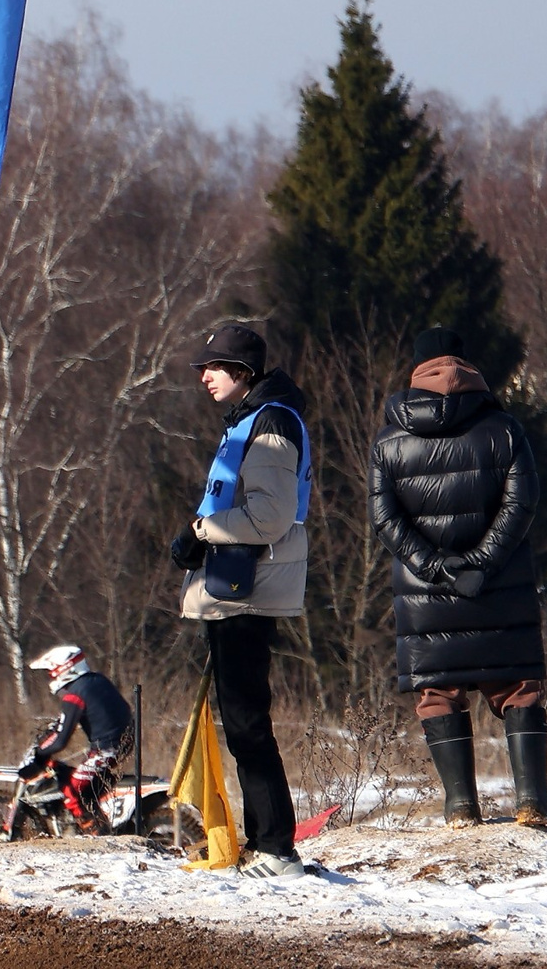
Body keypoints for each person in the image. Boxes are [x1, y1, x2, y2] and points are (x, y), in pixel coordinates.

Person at [370, 325, 547, 827]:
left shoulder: (390, 438)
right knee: (516, 686)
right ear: (466, 364)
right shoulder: (502, 427)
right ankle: (532, 800)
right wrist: (482, 563)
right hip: (497, 587)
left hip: (425, 592)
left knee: (438, 692)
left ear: (416, 369)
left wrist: (435, 566)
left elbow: (385, 519)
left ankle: (459, 805)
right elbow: (522, 501)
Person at [168, 321, 309, 879]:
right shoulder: (252, 419)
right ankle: (266, 843)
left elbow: (269, 516)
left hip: (249, 591)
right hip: (239, 587)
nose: (204, 376)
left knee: (248, 724)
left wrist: (201, 531)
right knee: (243, 722)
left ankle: (277, 848)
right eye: (203, 367)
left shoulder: (270, 423)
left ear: (243, 373)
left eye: (215, 367)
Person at [19, 644, 132, 833]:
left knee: (73, 790)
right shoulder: (98, 681)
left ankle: (95, 832)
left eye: (51, 672)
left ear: (63, 669)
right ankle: (96, 825)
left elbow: (61, 739)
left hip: (106, 749)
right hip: (122, 744)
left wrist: (39, 756)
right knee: (80, 783)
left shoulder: (75, 694)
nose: (51, 677)